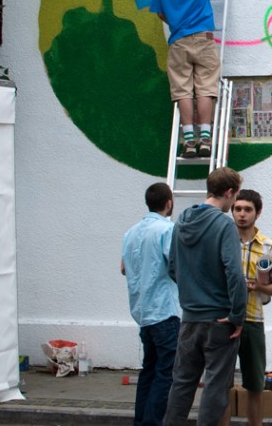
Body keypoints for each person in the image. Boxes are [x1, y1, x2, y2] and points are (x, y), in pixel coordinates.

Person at [163, 167, 247, 426]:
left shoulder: (181, 222)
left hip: (189, 318)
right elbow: (234, 272)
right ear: (230, 192)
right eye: (235, 198)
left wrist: (192, 294)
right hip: (219, 319)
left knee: (182, 384)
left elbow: (172, 268)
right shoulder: (224, 224)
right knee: (215, 388)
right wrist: (237, 315)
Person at [150, 0, 218, 159]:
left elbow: (160, 13)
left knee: (182, 91)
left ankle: (188, 143)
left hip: (179, 40)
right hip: (203, 37)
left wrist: (176, 23)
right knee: (205, 89)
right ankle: (206, 141)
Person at [218, 190, 272, 426]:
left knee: (255, 384)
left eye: (247, 209)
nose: (242, 214)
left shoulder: (269, 246)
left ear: (258, 212)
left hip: (253, 319)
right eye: (237, 209)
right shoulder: (222, 240)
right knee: (221, 385)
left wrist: (257, 285)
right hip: (223, 319)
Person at [121, 182, 180, 426]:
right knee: (165, 374)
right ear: (169, 203)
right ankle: (152, 422)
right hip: (164, 310)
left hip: (142, 311)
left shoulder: (131, 232)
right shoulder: (167, 229)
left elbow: (124, 268)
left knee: (148, 370)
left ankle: (141, 421)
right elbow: (175, 266)